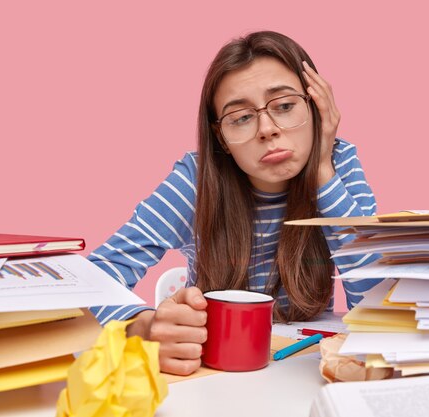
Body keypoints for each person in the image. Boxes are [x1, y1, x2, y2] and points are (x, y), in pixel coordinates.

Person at [89, 30, 381, 376]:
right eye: (241, 117)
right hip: (214, 376)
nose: (267, 129)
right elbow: (91, 281)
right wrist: (141, 328)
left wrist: (321, 171)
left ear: (317, 107)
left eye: (285, 106)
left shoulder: (338, 164)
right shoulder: (196, 181)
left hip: (301, 372)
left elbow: (376, 306)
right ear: (221, 138)